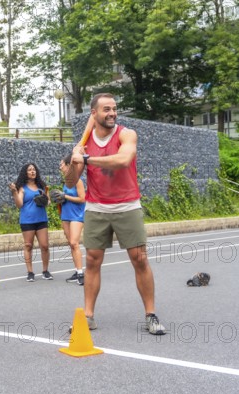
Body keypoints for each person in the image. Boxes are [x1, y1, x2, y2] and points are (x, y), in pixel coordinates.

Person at [69, 93, 166, 335]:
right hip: (96, 206)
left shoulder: (127, 134)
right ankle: (88, 316)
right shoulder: (84, 143)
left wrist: (88, 159)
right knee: (92, 261)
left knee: (139, 259)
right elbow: (71, 180)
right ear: (94, 114)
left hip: (127, 205)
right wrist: (74, 161)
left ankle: (151, 315)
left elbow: (124, 160)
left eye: (114, 108)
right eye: (106, 109)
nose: (112, 113)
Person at [9, 163, 53, 282]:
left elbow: (48, 202)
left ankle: (45, 271)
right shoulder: (22, 188)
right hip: (27, 220)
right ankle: (30, 272)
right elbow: (19, 205)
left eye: (34, 169)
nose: (32, 171)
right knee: (28, 246)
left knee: (45, 246)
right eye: (29, 170)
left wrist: (45, 200)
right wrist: (14, 192)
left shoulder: (42, 186)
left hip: (41, 219)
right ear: (25, 173)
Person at [57, 154, 86, 286]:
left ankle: (81, 273)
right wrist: (59, 199)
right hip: (66, 215)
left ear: (68, 165)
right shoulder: (66, 182)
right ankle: (77, 270)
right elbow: (65, 198)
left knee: (74, 243)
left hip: (77, 215)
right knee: (71, 244)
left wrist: (66, 196)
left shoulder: (77, 180)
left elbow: (82, 199)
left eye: (62, 164)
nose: (60, 166)